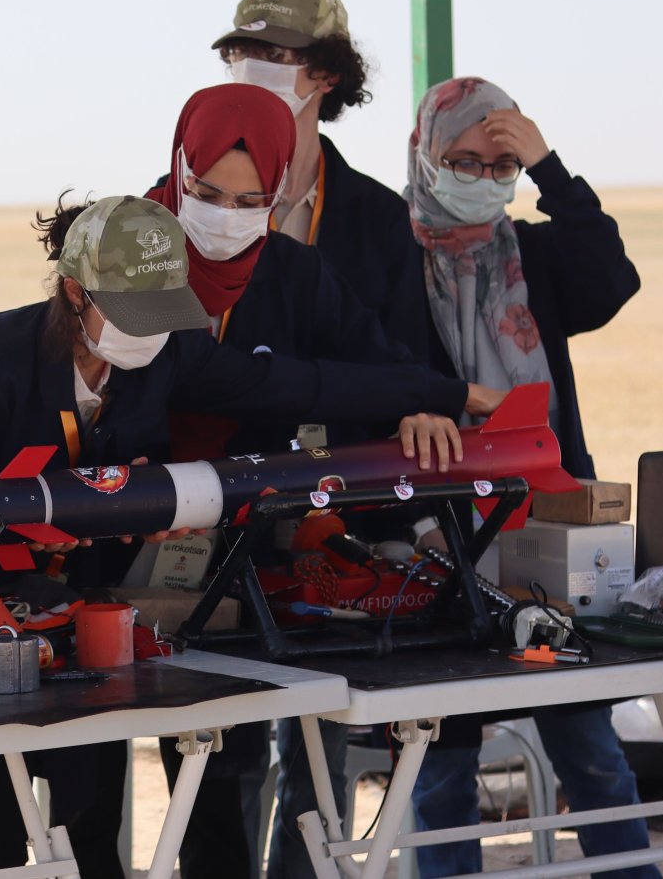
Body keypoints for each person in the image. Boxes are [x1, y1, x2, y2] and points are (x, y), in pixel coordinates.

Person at [0, 194, 503, 878]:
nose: (146, 335)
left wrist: (442, 396)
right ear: (73, 291)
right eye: (131, 311)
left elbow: (291, 385)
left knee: (87, 811)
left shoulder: (166, 351)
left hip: (59, 609)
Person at [141, 83, 432, 879]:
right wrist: (401, 390)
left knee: (255, 748)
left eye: (251, 199)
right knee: (166, 761)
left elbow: (382, 361)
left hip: (248, 549)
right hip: (130, 539)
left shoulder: (296, 273)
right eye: (204, 192)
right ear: (176, 166)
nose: (225, 214)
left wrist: (420, 402)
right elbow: (217, 383)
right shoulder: (129, 245)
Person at [398, 76, 652, 878]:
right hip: (432, 530)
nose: (478, 178)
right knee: (441, 759)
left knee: (589, 745)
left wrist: (548, 165)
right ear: (423, 155)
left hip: (545, 524)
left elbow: (612, 281)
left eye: (495, 164)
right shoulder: (387, 266)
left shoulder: (531, 257)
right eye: (459, 160)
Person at [211, 0, 431, 360]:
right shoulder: (188, 198)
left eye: (275, 56)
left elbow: (407, 359)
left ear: (329, 73)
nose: (249, 69)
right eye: (240, 54)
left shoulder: (382, 217)